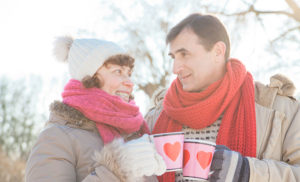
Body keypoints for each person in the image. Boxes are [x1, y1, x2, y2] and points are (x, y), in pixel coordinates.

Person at [145, 13, 300, 182]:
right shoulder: (155, 118)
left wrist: (247, 172)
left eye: (184, 54)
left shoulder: (279, 110)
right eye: (174, 57)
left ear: (218, 51)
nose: (175, 68)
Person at [25, 36, 166, 182]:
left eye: (129, 74)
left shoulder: (136, 132)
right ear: (89, 77)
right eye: (118, 71)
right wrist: (116, 170)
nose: (130, 83)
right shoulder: (55, 138)